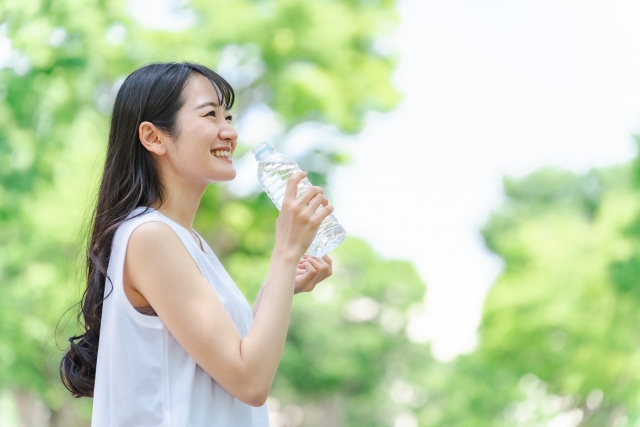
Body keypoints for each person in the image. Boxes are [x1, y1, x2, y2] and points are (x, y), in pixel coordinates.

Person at [59, 62, 334, 426]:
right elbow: (250, 380)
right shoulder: (150, 236)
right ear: (154, 137)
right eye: (210, 114)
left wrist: (279, 286)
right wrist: (285, 252)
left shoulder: (187, 241)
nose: (230, 132)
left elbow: (229, 358)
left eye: (230, 117)